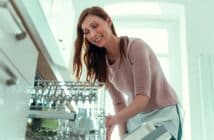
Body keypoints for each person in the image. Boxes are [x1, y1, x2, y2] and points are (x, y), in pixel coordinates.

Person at [73, 6, 182, 140]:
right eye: (87, 32)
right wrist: (123, 135)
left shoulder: (135, 47)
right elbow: (119, 103)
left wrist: (113, 120)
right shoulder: (102, 64)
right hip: (136, 120)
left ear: (108, 21)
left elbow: (142, 98)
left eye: (95, 26)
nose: (93, 34)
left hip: (164, 115)